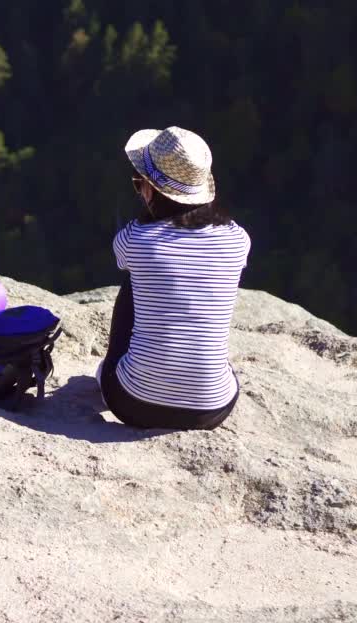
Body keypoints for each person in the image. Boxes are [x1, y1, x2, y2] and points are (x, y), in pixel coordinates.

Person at [97, 126, 251, 430]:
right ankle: (195, 379)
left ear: (151, 189)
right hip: (211, 409)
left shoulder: (135, 239)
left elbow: (124, 262)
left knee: (132, 283)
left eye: (138, 182)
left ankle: (121, 371)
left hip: (132, 403)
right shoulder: (237, 239)